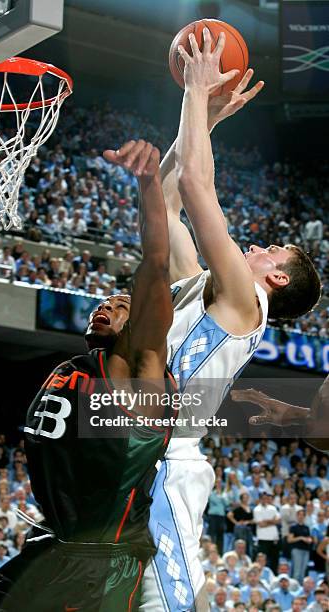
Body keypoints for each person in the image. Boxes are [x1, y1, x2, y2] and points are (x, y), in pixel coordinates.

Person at [141, 29, 320, 612]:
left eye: (272, 251)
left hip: (167, 461)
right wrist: (206, 119)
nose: (258, 247)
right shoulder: (210, 285)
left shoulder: (245, 303)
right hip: (133, 447)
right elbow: (165, 203)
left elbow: (197, 186)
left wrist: (197, 92)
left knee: (165, 605)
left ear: (276, 280)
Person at [0, 139, 175, 612]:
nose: (106, 304)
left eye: (121, 305)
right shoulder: (80, 369)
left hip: (100, 567)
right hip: (50, 544)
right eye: (104, 301)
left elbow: (156, 262)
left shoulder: (142, 375)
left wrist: (148, 184)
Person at [287, 509, 313, 584]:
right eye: (299, 515)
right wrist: (301, 538)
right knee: (297, 571)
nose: (301, 517)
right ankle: (295, 587)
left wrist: (309, 540)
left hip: (305, 550)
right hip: (297, 550)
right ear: (297, 516)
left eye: (303, 515)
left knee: (303, 572)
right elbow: (290, 540)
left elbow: (308, 538)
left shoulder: (306, 527)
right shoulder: (293, 527)